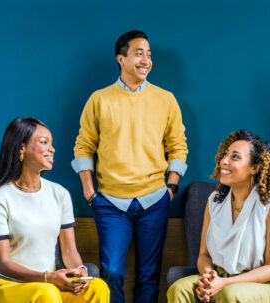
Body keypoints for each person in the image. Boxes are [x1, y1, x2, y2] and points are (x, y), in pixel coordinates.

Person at [71, 30, 189, 303]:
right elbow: (83, 146)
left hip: (155, 199)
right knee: (111, 270)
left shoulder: (166, 99)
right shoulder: (99, 99)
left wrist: (171, 187)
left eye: (149, 54)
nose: (146, 60)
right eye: (139, 53)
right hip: (110, 201)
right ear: (121, 59)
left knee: (148, 275)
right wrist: (90, 191)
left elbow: (178, 146)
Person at [167, 129, 270, 302]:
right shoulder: (214, 202)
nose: (224, 161)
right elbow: (203, 256)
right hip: (221, 277)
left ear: (255, 167)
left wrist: (224, 283)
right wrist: (210, 279)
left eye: (235, 157)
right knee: (179, 289)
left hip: (267, 283)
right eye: (225, 155)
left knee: (230, 295)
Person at [0, 118, 109, 303]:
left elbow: (69, 250)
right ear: (21, 148)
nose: (52, 149)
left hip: (49, 286)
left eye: (51, 143)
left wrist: (80, 271)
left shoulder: (60, 194)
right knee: (46, 294)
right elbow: (3, 264)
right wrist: (48, 278)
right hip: (10, 285)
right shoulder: (0, 198)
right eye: (44, 142)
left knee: (98, 288)